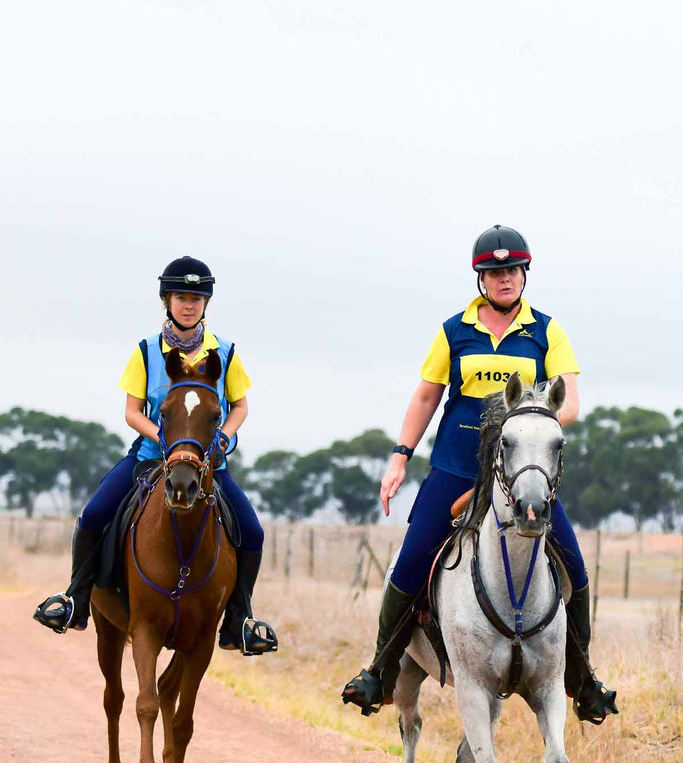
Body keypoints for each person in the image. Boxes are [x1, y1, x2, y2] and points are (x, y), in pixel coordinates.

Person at [342, 225, 617, 724]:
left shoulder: (547, 331)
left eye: (511, 270)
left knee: (574, 568)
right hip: (453, 466)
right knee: (408, 566)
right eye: (495, 272)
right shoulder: (453, 330)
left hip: (520, 472)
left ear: (523, 274)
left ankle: (583, 680)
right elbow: (426, 396)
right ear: (481, 279)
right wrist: (401, 455)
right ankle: (379, 673)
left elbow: (570, 402)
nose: (504, 278)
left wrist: (527, 421)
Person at [34, 256, 278, 656]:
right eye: (182, 297)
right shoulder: (146, 350)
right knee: (94, 515)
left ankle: (240, 619)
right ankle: (75, 599)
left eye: (197, 298)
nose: (189, 305)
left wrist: (223, 440)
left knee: (252, 531)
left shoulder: (226, 353)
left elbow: (240, 407)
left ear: (206, 304)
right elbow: (132, 412)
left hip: (208, 465)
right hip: (150, 458)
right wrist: (165, 440)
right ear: (167, 300)